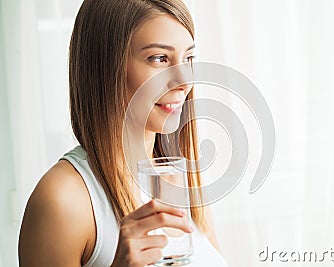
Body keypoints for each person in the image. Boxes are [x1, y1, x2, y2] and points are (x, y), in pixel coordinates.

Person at [18, 0, 228, 266]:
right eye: (159, 58)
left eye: (188, 58)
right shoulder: (62, 200)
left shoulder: (180, 179)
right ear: (106, 66)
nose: (184, 81)